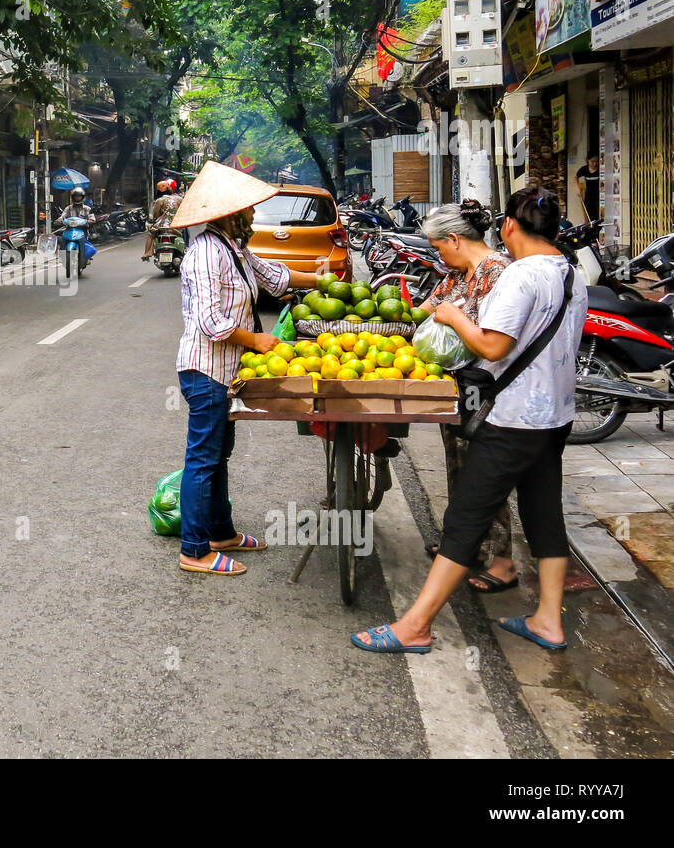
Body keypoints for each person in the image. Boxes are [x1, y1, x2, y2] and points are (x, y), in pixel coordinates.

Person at [352, 186, 587, 653]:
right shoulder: (570, 272)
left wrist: (453, 317)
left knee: (464, 520)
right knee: (544, 516)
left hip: (513, 419)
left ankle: (415, 626)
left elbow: (492, 346)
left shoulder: (518, 277)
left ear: (510, 227)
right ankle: (547, 621)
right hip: (555, 416)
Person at [172, 161, 321, 575]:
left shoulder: (234, 248)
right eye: (249, 209)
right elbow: (210, 321)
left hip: (226, 373)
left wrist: (326, 281)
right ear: (230, 214)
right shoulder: (204, 253)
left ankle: (221, 533)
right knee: (203, 458)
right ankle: (194, 551)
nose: (255, 215)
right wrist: (255, 339)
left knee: (219, 454)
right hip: (205, 372)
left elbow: (276, 278)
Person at [417, 200, 516, 594]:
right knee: (459, 465)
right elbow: (425, 310)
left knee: (484, 472)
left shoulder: (499, 273)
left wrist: (452, 318)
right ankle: (465, 545)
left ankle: (505, 562)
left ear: (455, 239)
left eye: (439, 246)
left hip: (489, 388)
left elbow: (495, 341)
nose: (438, 254)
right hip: (458, 386)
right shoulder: (459, 273)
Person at [143, 179, 183, 260]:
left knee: (151, 234)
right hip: (177, 225)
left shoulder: (159, 200)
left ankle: (147, 253)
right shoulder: (179, 199)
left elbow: (155, 215)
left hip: (162, 227)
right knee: (185, 233)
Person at [575, 152, 600, 222]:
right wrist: (577, 188)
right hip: (589, 197)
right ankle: (591, 232)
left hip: (599, 197)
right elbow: (575, 177)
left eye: (597, 161)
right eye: (592, 161)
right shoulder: (584, 169)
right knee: (590, 217)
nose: (595, 164)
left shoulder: (601, 169)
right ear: (587, 160)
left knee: (599, 216)